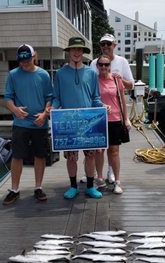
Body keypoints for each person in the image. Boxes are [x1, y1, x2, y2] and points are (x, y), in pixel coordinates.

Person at [51, 37, 106, 200]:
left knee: (90, 156)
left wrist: (103, 106)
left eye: (79, 49)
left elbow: (95, 97)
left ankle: (90, 186)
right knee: (71, 157)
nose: (76, 52)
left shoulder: (91, 73)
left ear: (83, 52)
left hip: (89, 123)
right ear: (69, 52)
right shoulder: (60, 74)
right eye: (73, 49)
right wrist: (52, 108)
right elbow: (56, 98)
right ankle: (73, 186)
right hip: (69, 123)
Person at [3, 44, 53, 205]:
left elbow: (50, 98)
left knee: (40, 155)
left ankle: (38, 187)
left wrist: (45, 114)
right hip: (20, 123)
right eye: (21, 61)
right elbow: (8, 98)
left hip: (40, 124)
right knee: (17, 156)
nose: (24, 63)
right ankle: (14, 189)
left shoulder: (44, 75)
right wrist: (15, 110)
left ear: (34, 56)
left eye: (27, 60)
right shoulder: (12, 75)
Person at [89, 33, 135, 183]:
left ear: (114, 45)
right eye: (103, 44)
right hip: (97, 116)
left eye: (109, 44)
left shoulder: (122, 62)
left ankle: (112, 173)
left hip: (115, 115)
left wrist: (119, 79)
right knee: (98, 149)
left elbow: (131, 86)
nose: (106, 47)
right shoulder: (93, 63)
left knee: (113, 149)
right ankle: (97, 175)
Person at [94, 55, 131, 194]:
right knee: (99, 151)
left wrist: (126, 119)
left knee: (114, 151)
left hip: (115, 119)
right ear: (97, 66)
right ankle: (99, 179)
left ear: (110, 65)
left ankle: (117, 181)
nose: (104, 67)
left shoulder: (116, 79)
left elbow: (123, 101)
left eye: (106, 64)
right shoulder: (94, 80)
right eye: (101, 64)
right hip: (99, 119)